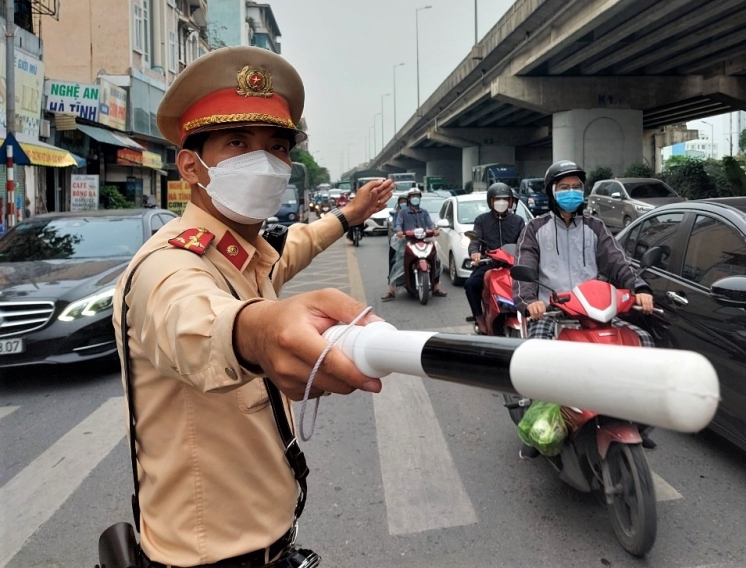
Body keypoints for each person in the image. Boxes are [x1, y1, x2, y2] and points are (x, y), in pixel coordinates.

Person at [112, 46, 395, 568]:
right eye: (237, 143)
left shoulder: (243, 256)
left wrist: (351, 214)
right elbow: (198, 324)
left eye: (278, 146)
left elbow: (292, 248)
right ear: (190, 165)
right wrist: (263, 333)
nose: (264, 162)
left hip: (270, 545)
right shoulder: (167, 266)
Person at [513, 160, 656, 452]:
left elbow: (618, 262)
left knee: (643, 341)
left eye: (576, 187)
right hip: (553, 312)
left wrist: (639, 288)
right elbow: (524, 266)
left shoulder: (595, 226)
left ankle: (637, 419)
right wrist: (529, 302)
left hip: (595, 312)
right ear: (551, 192)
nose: (571, 192)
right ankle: (539, 417)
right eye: (563, 187)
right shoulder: (535, 228)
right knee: (537, 357)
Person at [465, 182, 525, 324]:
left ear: (510, 202)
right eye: (497, 199)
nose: (501, 202)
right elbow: (475, 241)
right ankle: (479, 317)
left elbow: (525, 242)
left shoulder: (518, 221)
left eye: (505, 199)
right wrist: (474, 252)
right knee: (470, 284)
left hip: (513, 265)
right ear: (490, 201)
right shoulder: (481, 220)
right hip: (489, 264)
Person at [383, 186, 445, 299]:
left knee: (436, 260)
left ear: (420, 198)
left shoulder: (424, 212)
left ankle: (436, 287)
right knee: (395, 261)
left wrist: (434, 230)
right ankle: (391, 290)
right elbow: (398, 224)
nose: (415, 198)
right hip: (407, 241)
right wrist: (399, 231)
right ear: (409, 199)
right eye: (413, 196)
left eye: (417, 196)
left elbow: (430, 224)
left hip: (423, 240)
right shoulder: (403, 212)